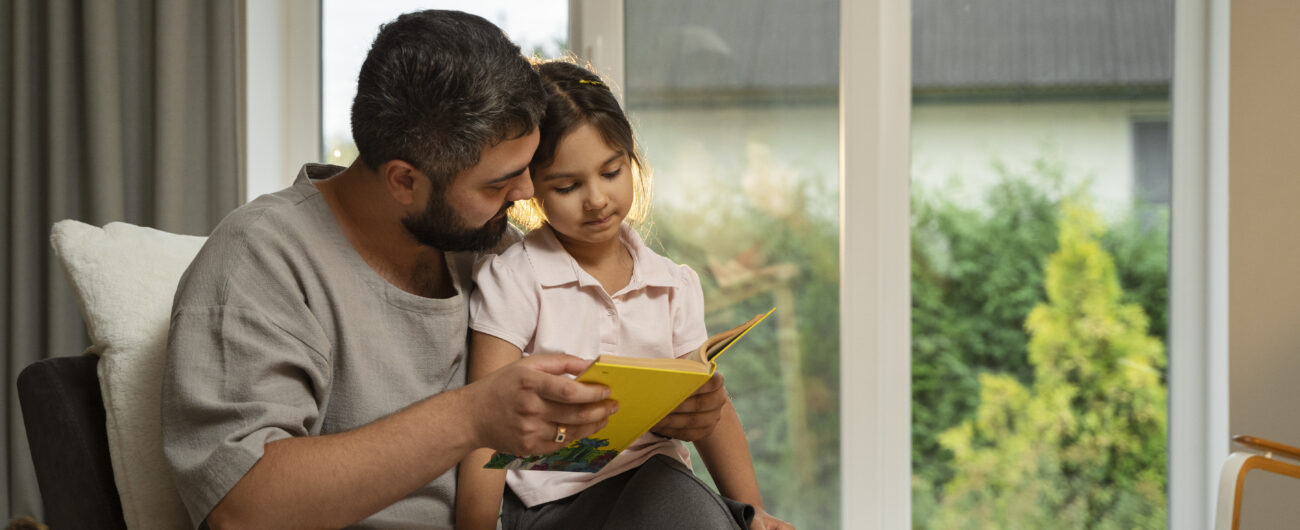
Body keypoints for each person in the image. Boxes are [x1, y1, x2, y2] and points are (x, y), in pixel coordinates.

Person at [160, 11, 726, 529]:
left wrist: (666, 414)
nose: (527, 193)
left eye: (526, 170)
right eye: (498, 182)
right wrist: (473, 417)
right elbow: (240, 508)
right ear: (405, 180)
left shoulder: (488, 247)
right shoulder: (260, 260)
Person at [456, 59, 794, 530]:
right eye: (568, 186)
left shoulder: (673, 285)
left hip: (656, 491)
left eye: (612, 172)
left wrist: (756, 512)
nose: (596, 199)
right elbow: (482, 424)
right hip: (549, 507)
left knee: (682, 495)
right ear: (533, 192)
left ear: (632, 161)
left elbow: (712, 410)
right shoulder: (515, 278)